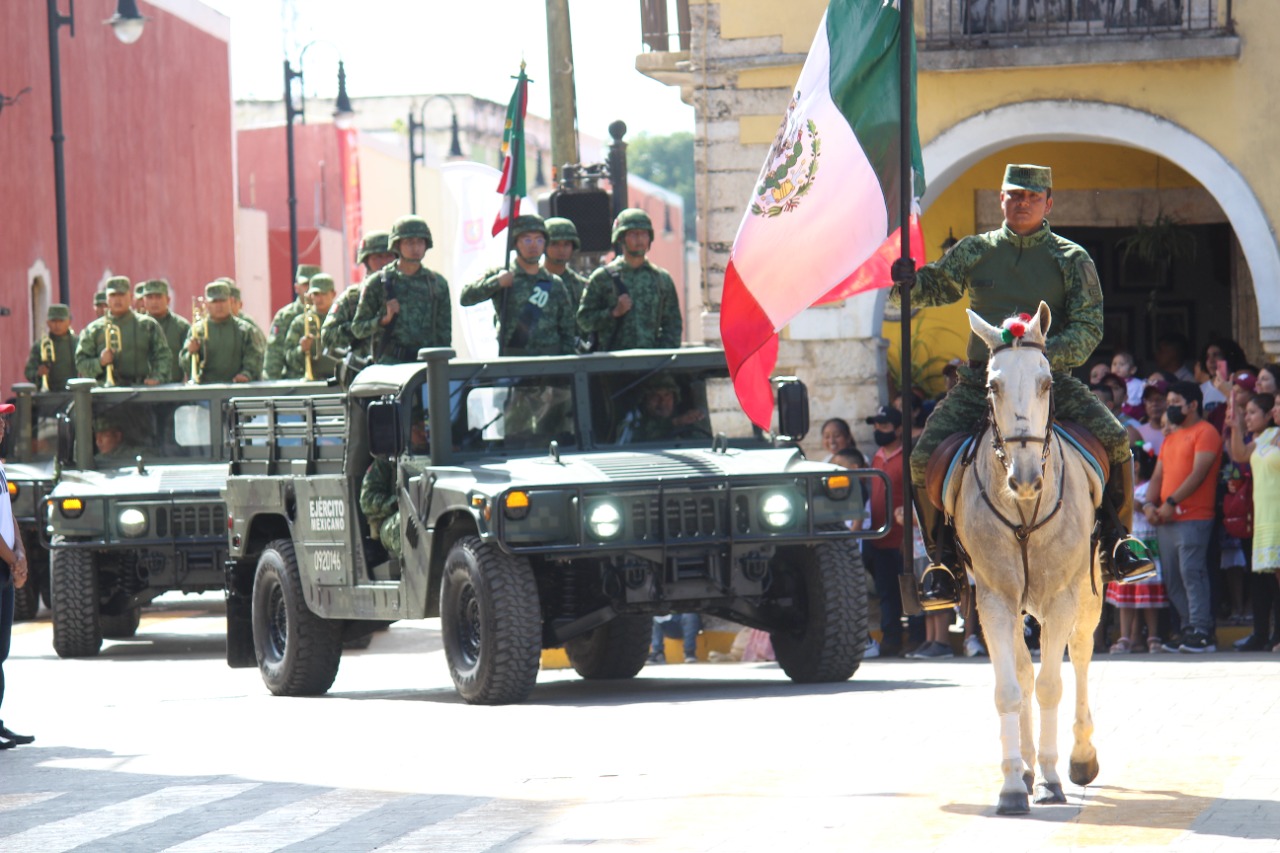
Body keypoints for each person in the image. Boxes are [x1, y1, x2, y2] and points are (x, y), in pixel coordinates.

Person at [892, 164, 1151, 609]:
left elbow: (1089, 328)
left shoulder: (1071, 259)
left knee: (1114, 439)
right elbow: (934, 289)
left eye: (1032, 196)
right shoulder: (975, 250)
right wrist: (905, 280)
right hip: (981, 382)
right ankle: (943, 562)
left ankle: (1117, 541)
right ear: (1001, 200)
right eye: (1014, 195)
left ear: (1049, 203)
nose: (1023, 202)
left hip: (1048, 379)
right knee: (920, 460)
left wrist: (1038, 359)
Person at [1144, 381, 1222, 653]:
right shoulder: (1171, 437)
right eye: (1169, 402)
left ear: (1193, 405)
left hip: (1194, 516)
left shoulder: (1206, 432)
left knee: (1192, 572)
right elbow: (1157, 476)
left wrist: (1171, 502)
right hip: (1166, 520)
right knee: (1173, 578)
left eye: (1176, 402)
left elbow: (1198, 475)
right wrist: (1147, 505)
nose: (1170, 407)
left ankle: (1202, 631)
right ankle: (1190, 628)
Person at [460, 215, 577, 356]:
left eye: (539, 240)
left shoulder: (554, 283)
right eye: (527, 239)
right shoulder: (502, 274)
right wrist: (497, 283)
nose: (533, 245)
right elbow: (466, 298)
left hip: (550, 363)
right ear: (515, 243)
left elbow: (568, 330)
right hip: (514, 360)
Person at [577, 208, 682, 351]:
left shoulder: (661, 279)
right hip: (611, 366)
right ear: (620, 238)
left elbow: (673, 324)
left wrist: (661, 357)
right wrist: (613, 313)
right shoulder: (602, 278)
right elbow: (584, 320)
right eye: (633, 234)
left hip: (652, 365)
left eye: (644, 234)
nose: (639, 239)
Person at [351, 216, 451, 364]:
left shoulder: (437, 283)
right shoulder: (378, 283)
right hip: (391, 366)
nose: (415, 248)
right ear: (397, 245)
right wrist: (382, 320)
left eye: (420, 242)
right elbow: (358, 328)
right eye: (409, 242)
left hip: (427, 366)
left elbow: (444, 335)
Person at [1227, 392, 1280, 652]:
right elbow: (1240, 454)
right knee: (1275, 581)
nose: (1276, 410)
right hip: (1265, 519)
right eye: (1277, 405)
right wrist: (1235, 424)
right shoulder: (1267, 437)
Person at [1106, 441, 1170, 654]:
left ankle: (1152, 636)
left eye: (1135, 462)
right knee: (1127, 594)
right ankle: (1125, 637)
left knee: (1148, 594)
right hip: (1127, 544)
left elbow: (1149, 507)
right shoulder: (1121, 486)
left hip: (1146, 544)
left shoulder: (1148, 487)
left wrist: (1139, 505)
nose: (1132, 467)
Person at [0, 404, 35, 749]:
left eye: (3, 420)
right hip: (2, 564)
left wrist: (20, 555)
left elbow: (8, 518)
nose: (1, 425)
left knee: (1, 651)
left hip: (6, 566)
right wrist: (13, 561)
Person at [860, 406, 906, 657]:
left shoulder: (905, 458)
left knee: (906, 591)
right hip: (878, 538)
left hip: (900, 539)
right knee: (886, 592)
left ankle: (913, 638)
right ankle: (892, 638)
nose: (879, 430)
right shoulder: (877, 457)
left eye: (885, 426)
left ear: (899, 429)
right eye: (876, 425)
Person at [74, 276, 172, 386]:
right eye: (113, 295)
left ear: (130, 296)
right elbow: (81, 363)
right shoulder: (93, 330)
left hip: (141, 390)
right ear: (107, 298)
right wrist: (100, 362)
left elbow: (163, 356)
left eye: (121, 295)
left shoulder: (148, 325)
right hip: (105, 394)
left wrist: (157, 377)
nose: (117, 299)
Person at [359, 419, 429, 560]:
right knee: (404, 523)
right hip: (390, 520)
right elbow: (366, 500)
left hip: (428, 514)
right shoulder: (386, 461)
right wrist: (395, 503)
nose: (423, 433)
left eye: (425, 427)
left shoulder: (439, 454)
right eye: (417, 428)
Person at [322, 230, 395, 363]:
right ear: (366, 260)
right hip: (363, 372)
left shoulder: (406, 292)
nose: (384, 262)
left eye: (389, 256)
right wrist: (363, 327)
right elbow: (328, 336)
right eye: (377, 257)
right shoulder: (353, 297)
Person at [179, 282, 264, 383]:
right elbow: (186, 366)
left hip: (237, 388)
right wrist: (190, 352)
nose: (219, 305)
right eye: (214, 301)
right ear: (207, 304)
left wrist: (246, 374)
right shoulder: (198, 331)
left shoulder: (245, 330)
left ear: (231, 301)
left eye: (222, 301)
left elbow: (254, 357)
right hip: (205, 391)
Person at [263, 265, 320, 379]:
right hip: (293, 380)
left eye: (313, 284)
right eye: (305, 284)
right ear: (296, 287)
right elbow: (274, 354)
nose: (309, 289)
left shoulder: (329, 314)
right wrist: (271, 383)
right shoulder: (285, 316)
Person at [616, 374, 708, 443]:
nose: (663, 402)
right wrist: (676, 422)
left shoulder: (688, 420)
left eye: (667, 395)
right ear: (645, 400)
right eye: (655, 396)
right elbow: (641, 438)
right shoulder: (632, 421)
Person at [283, 274, 338, 380]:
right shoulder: (300, 323)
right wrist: (301, 350)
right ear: (310, 296)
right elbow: (288, 358)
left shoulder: (342, 319)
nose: (319, 298)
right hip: (310, 382)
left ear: (333, 294)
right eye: (316, 294)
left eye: (324, 293)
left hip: (339, 380)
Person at [140, 279, 191, 383]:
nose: (154, 302)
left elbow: (189, 361)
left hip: (174, 388)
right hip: (142, 388)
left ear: (168, 299)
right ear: (143, 301)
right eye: (150, 297)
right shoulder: (137, 326)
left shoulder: (181, 326)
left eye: (158, 297)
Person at [24, 304, 78, 391]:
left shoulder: (77, 343)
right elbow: (28, 372)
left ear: (69, 322)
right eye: (53, 321)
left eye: (61, 321)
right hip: (48, 395)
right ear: (48, 323)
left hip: (74, 393)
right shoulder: (40, 346)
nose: (57, 325)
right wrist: (38, 373)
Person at [543, 217, 589, 309]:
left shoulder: (581, 286)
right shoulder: (530, 282)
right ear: (543, 246)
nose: (561, 250)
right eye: (555, 244)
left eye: (566, 244)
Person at [1111, 350, 1146, 418]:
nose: (1117, 367)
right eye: (1114, 364)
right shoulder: (1109, 384)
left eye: (1121, 364)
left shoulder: (1138, 384)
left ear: (1132, 370)